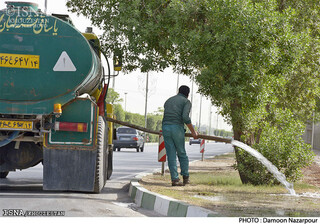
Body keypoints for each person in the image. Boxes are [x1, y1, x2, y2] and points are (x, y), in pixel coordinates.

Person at [162, 85, 198, 186]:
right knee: (181, 153)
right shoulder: (186, 102)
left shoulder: (169, 100)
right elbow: (185, 117)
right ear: (188, 94)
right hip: (177, 128)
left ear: (178, 91)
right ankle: (185, 177)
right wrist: (193, 132)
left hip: (165, 128)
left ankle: (175, 179)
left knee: (171, 155)